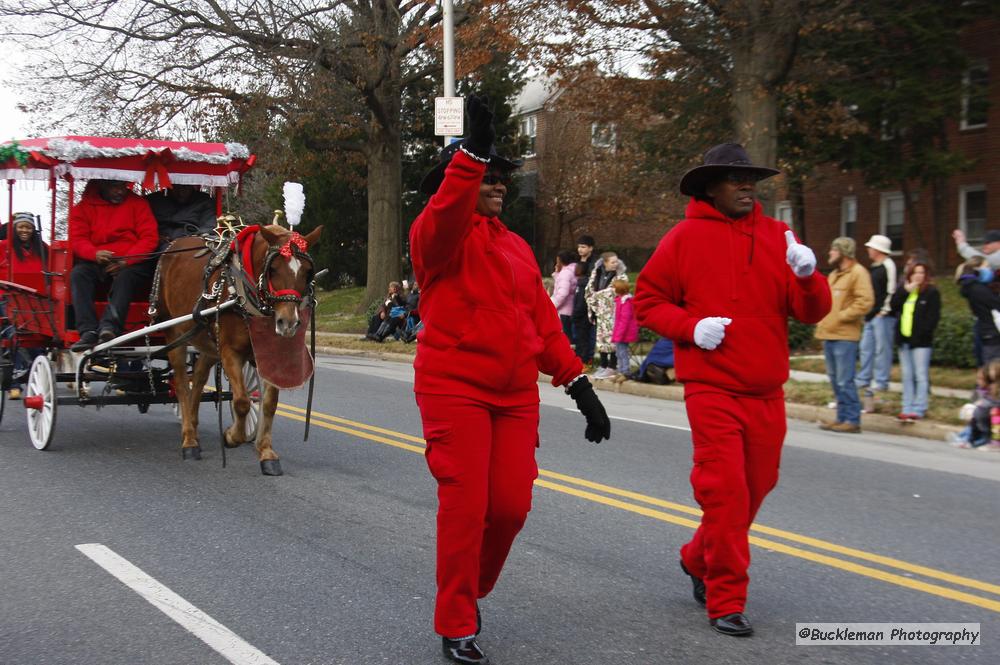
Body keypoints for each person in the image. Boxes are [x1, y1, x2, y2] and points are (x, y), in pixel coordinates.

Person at [409, 94, 611, 664]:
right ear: (460, 179)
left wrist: (581, 386)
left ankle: (469, 593)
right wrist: (467, 155)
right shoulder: (436, 238)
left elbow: (544, 327)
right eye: (486, 174)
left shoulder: (517, 248)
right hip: (455, 389)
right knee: (467, 507)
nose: (498, 183)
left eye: (501, 175)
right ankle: (456, 622)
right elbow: (445, 216)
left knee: (510, 509)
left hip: (515, 396)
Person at [634, 142, 831, 637]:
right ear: (709, 188)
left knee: (756, 489)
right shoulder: (682, 238)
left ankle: (697, 557)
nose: (746, 186)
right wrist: (690, 326)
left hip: (766, 390)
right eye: (734, 179)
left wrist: (808, 278)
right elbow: (648, 302)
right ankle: (726, 598)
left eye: (751, 180)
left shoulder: (779, 235)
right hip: (711, 388)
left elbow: (812, 312)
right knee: (726, 493)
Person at [69, 180, 159, 351]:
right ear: (103, 185)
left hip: (131, 261)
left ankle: (110, 327)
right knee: (78, 274)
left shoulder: (138, 204)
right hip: (97, 260)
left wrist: (127, 260)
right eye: (114, 187)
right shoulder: (83, 207)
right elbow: (78, 239)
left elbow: (149, 238)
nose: (120, 191)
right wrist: (94, 254)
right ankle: (87, 330)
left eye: (122, 187)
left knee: (127, 277)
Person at [815, 237, 874, 433]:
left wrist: (841, 316)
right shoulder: (834, 275)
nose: (830, 253)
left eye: (833, 249)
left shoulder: (858, 273)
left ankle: (852, 419)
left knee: (844, 379)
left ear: (843, 252)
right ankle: (841, 417)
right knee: (835, 379)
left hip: (845, 336)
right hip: (830, 335)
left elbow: (865, 301)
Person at [0, 212, 49, 398]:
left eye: (28, 227)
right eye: (20, 226)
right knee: (17, 332)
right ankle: (14, 379)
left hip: (36, 299)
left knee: (40, 334)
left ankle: (34, 371)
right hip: (7, 296)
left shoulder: (42, 249)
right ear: (14, 229)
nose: (24, 230)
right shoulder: (4, 247)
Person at [889, 259, 940, 421]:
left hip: (921, 342)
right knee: (907, 375)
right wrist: (905, 291)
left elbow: (933, 318)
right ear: (910, 275)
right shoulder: (905, 290)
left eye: (922, 273)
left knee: (920, 375)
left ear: (926, 275)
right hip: (904, 339)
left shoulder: (931, 292)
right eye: (915, 272)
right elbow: (893, 306)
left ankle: (919, 407)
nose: (918, 275)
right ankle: (907, 406)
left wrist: (922, 334)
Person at [855, 234, 897, 412]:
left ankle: (881, 381)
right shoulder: (874, 267)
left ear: (879, 250)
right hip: (871, 315)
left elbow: (891, 290)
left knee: (882, 349)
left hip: (883, 315)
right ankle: (864, 378)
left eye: (871, 247)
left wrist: (884, 310)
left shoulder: (888, 266)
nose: (868, 250)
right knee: (866, 347)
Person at [586, 251, 627, 379]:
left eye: (616, 261)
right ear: (605, 263)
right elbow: (589, 289)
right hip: (600, 312)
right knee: (601, 339)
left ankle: (612, 366)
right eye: (612, 262)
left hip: (614, 312)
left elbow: (614, 291)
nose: (615, 264)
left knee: (612, 339)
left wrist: (597, 295)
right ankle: (603, 365)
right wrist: (592, 301)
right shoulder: (597, 274)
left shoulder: (621, 277)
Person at [956, 257, 1000, 367]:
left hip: (986, 331)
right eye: (986, 267)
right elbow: (995, 304)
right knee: (992, 368)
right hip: (991, 332)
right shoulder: (977, 289)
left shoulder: (973, 287)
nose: (989, 270)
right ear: (977, 269)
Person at [145, 184, 217, 249]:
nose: (180, 193)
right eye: (176, 188)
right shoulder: (154, 200)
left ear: (192, 186)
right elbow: (143, 227)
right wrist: (155, 236)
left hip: (190, 247)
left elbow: (208, 229)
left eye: (185, 187)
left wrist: (188, 241)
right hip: (155, 246)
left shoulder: (204, 202)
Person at [571, 235, 597, 363]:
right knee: (578, 334)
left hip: (587, 300)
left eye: (583, 247)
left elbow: (592, 282)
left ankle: (586, 358)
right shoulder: (578, 260)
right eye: (579, 247)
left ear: (591, 248)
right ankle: (579, 357)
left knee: (586, 333)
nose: (580, 249)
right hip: (577, 297)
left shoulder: (593, 264)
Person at [610, 277, 638, 381]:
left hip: (623, 333)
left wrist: (619, 334)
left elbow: (624, 320)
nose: (612, 290)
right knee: (619, 352)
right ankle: (620, 370)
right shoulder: (619, 300)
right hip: (619, 332)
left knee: (622, 352)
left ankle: (625, 371)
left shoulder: (625, 301)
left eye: (614, 288)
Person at [549, 250, 577, 340]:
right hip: (571, 308)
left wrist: (552, 305)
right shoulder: (573, 270)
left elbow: (563, 293)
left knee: (565, 337)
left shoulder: (565, 273)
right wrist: (557, 273)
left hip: (564, 310)